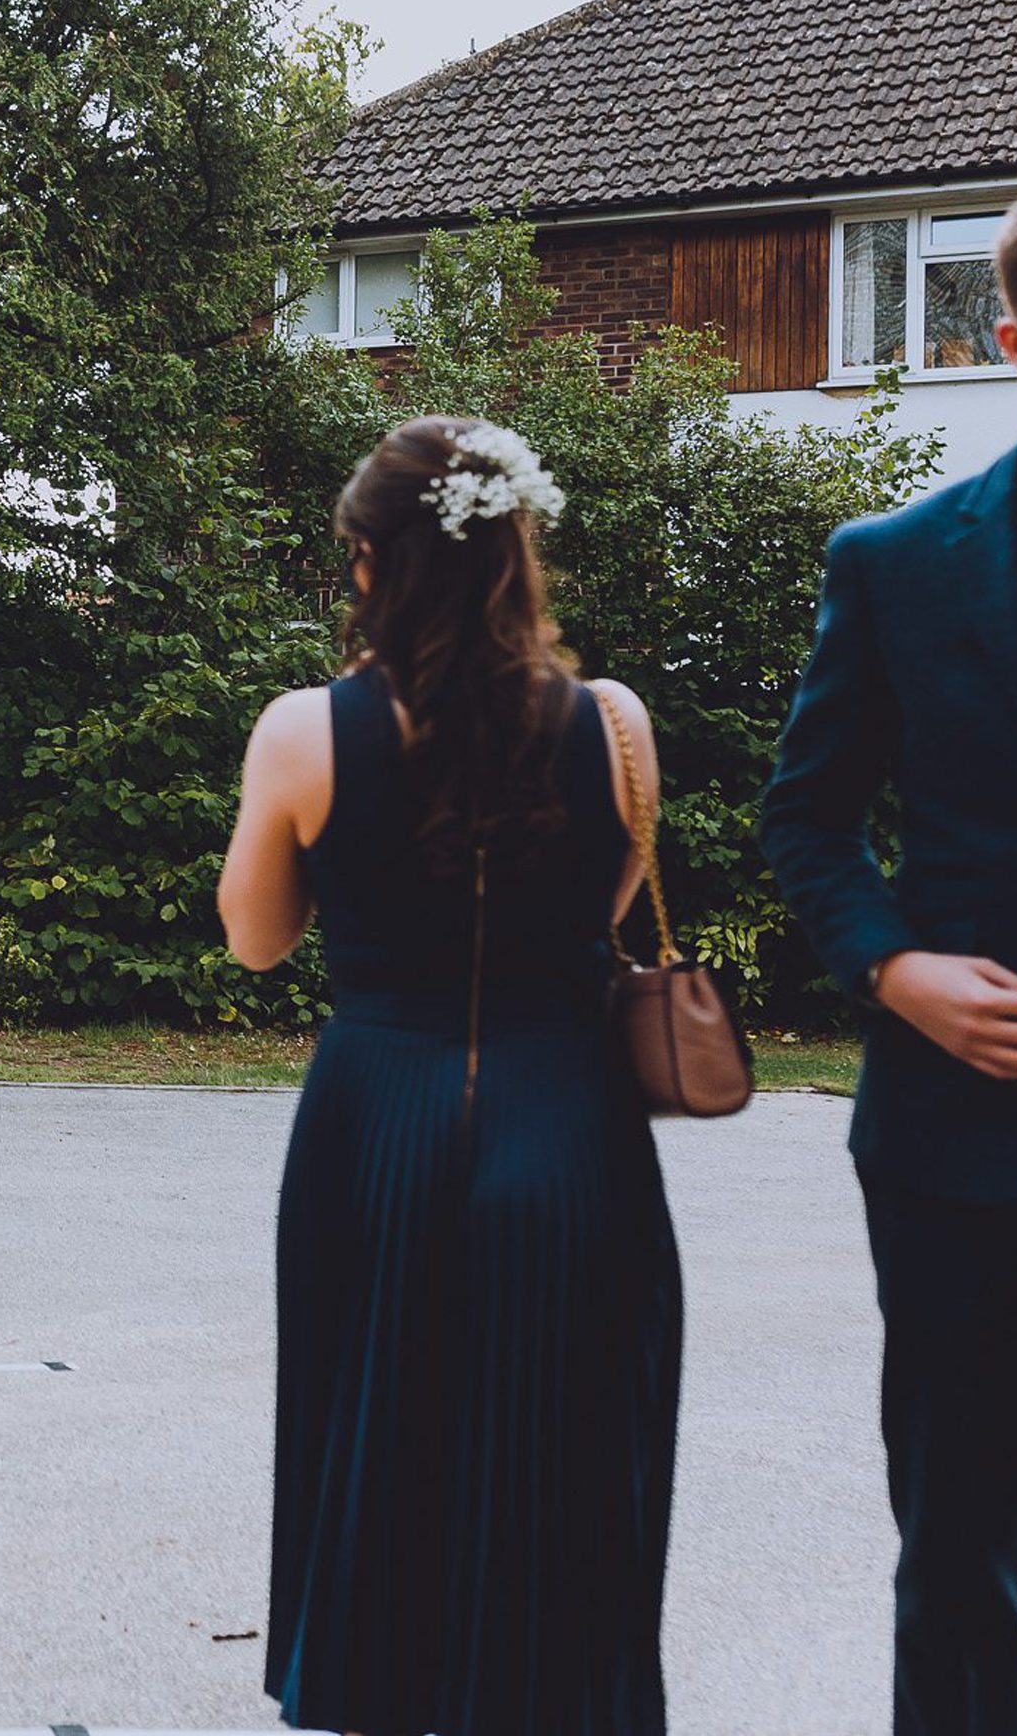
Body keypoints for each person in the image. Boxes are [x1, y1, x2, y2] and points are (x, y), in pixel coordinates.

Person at [762, 166, 1017, 1736]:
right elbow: (805, 822)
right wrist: (891, 970)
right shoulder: (891, 560)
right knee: (952, 1567)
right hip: (956, 1158)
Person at [219, 417, 681, 1736]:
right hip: (569, 1116)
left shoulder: (305, 731)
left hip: (377, 1118)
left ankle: (377, 1689)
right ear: (516, 554)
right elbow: (615, 900)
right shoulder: (619, 725)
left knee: (379, 1430)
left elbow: (256, 941)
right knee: (565, 1435)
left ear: (368, 564)